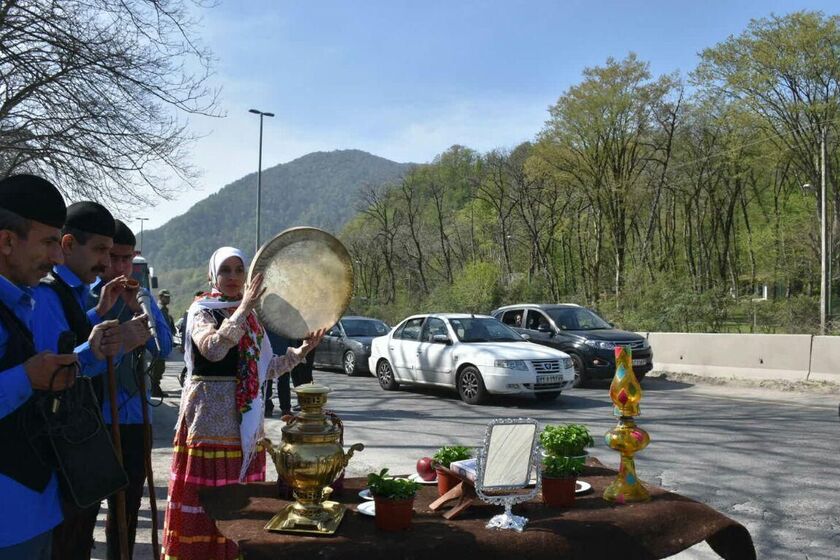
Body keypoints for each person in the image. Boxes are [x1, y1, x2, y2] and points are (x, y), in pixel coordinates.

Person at [162, 247, 324, 560]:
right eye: (226, 270)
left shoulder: (249, 319)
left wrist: (302, 350)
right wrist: (245, 307)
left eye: (239, 270)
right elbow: (212, 349)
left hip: (245, 428)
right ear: (213, 275)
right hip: (208, 424)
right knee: (210, 502)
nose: (234, 277)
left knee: (242, 506)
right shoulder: (202, 311)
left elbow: (268, 369)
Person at [0, 175, 120, 559]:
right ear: (6, 241)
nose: (56, 258)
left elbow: (52, 373)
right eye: (49, 242)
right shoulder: (42, 298)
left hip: (37, 504)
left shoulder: (22, 303)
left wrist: (90, 353)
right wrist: (26, 378)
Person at [31, 201, 151, 559]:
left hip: (83, 435)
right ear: (68, 245)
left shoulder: (83, 293)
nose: (106, 261)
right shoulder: (45, 293)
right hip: (58, 446)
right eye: (100, 250)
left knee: (80, 536)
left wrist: (99, 314)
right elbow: (53, 368)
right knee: (66, 540)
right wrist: (103, 348)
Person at [87, 220, 172, 560]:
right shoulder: (87, 295)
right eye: (114, 258)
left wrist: (139, 309)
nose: (120, 268)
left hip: (136, 416)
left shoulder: (144, 296)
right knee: (88, 503)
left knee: (129, 504)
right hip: (94, 417)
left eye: (127, 259)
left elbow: (164, 348)